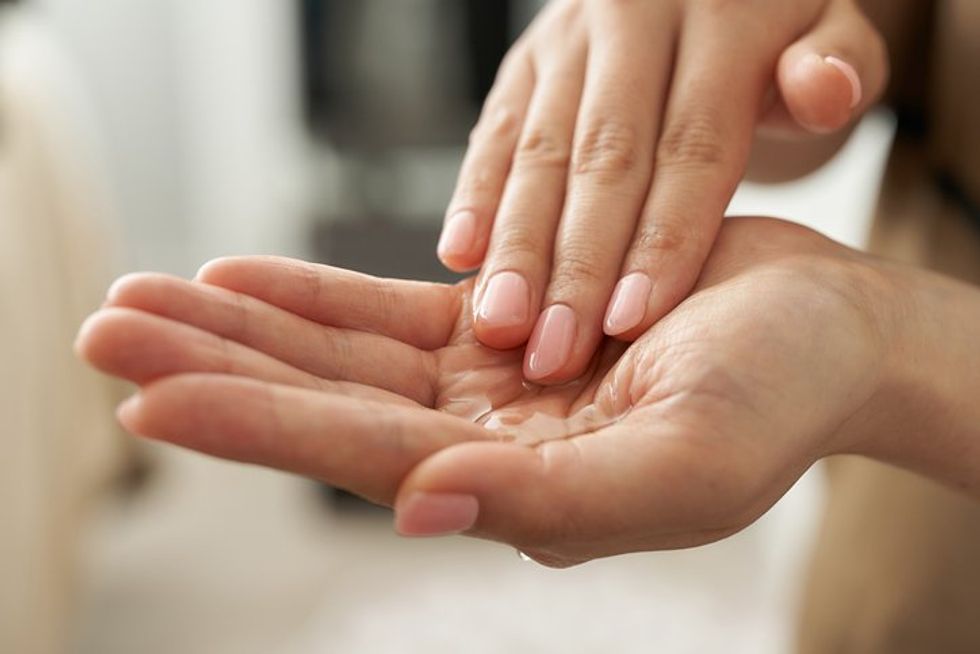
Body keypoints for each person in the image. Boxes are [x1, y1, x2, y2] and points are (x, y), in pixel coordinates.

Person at [75, 0, 980, 649]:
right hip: (903, 560)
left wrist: (907, 347)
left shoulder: (865, 344)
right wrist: (737, 42)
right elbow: (896, 59)